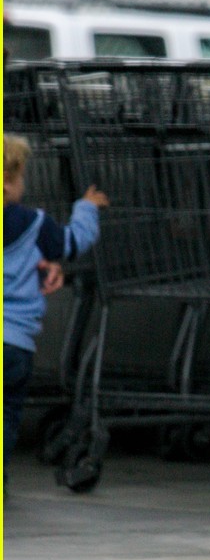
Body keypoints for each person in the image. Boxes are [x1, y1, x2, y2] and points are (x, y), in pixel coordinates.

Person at [3, 134, 108, 468]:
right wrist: (86, 208)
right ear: (7, 185)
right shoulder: (33, 224)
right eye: (20, 177)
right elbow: (72, 242)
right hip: (14, 342)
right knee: (6, 413)